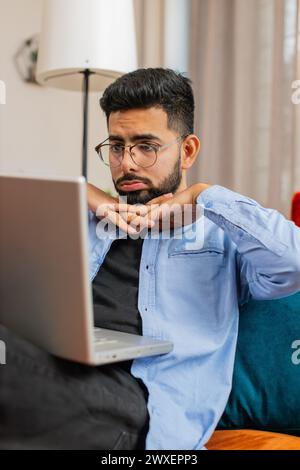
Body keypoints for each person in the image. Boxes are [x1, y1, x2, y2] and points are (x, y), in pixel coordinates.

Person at [1, 68, 300, 450]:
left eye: (146, 146)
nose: (127, 163)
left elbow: (293, 263)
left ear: (187, 150)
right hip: (56, 373)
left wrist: (202, 196)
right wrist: (81, 194)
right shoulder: (85, 222)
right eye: (116, 146)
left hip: (140, 407)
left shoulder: (222, 236)